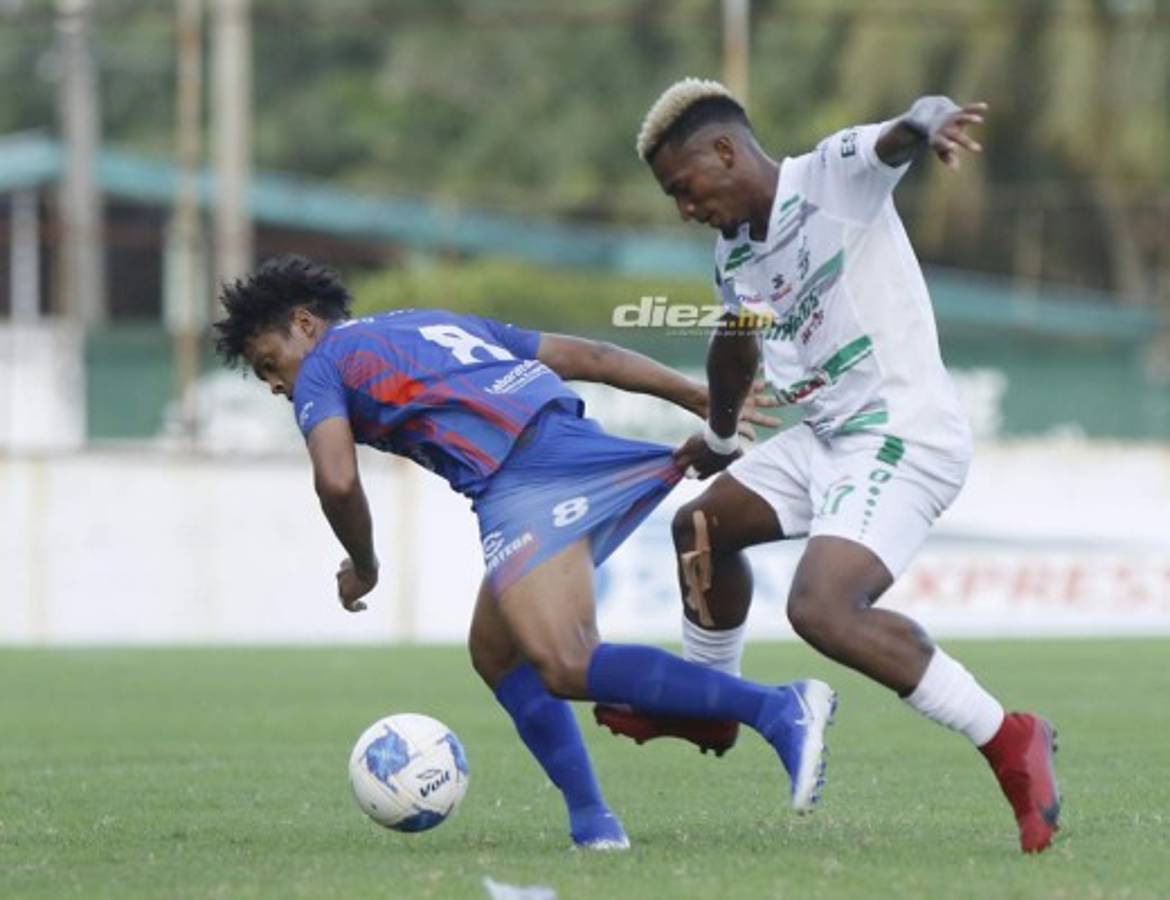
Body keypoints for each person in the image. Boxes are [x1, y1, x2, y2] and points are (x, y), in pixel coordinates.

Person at [212, 255, 837, 851]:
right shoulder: (427, 322)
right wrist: (695, 396)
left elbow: (337, 481)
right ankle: (593, 826)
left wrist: (366, 566)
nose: (277, 384)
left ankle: (778, 708)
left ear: (305, 324)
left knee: (564, 662)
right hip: (571, 443)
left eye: (270, 364)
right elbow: (589, 357)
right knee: (497, 650)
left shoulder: (322, 366)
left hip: (525, 477)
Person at [593, 79, 1060, 854]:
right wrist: (719, 436)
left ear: (724, 150)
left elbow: (903, 128)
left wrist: (933, 123)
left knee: (823, 609)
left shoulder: (832, 176)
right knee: (702, 526)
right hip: (830, 438)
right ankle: (713, 702)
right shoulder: (734, 252)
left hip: (903, 433)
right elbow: (735, 345)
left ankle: (1011, 737)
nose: (684, 208)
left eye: (683, 187)